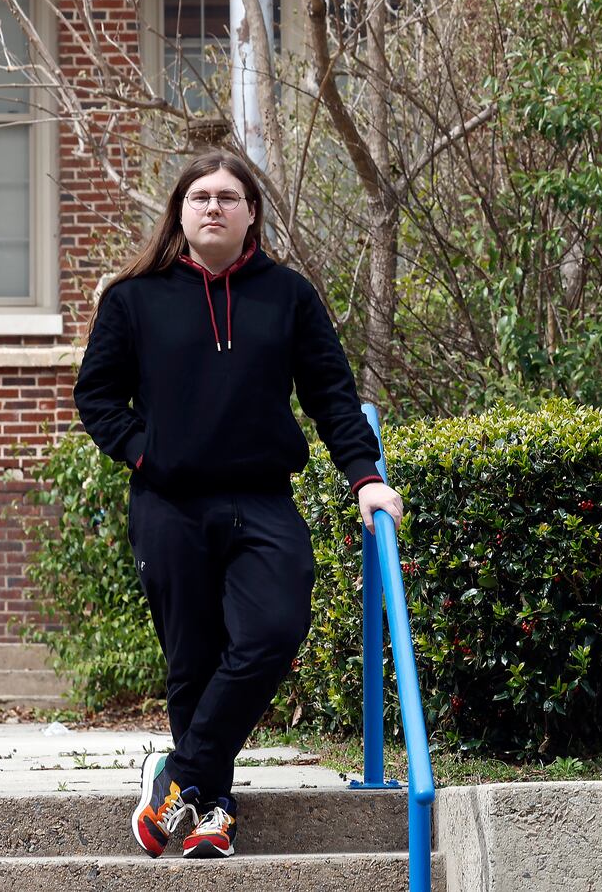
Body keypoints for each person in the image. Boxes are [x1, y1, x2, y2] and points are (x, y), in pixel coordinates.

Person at [74, 148, 404, 859]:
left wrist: (365, 476)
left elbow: (331, 396)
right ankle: (214, 808)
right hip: (169, 504)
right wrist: (146, 452)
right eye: (201, 197)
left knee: (272, 632)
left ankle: (180, 776)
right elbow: (96, 397)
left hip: (262, 499)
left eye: (229, 196)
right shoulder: (134, 298)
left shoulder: (287, 295)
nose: (214, 207)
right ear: (180, 213)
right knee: (191, 658)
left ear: (251, 212)